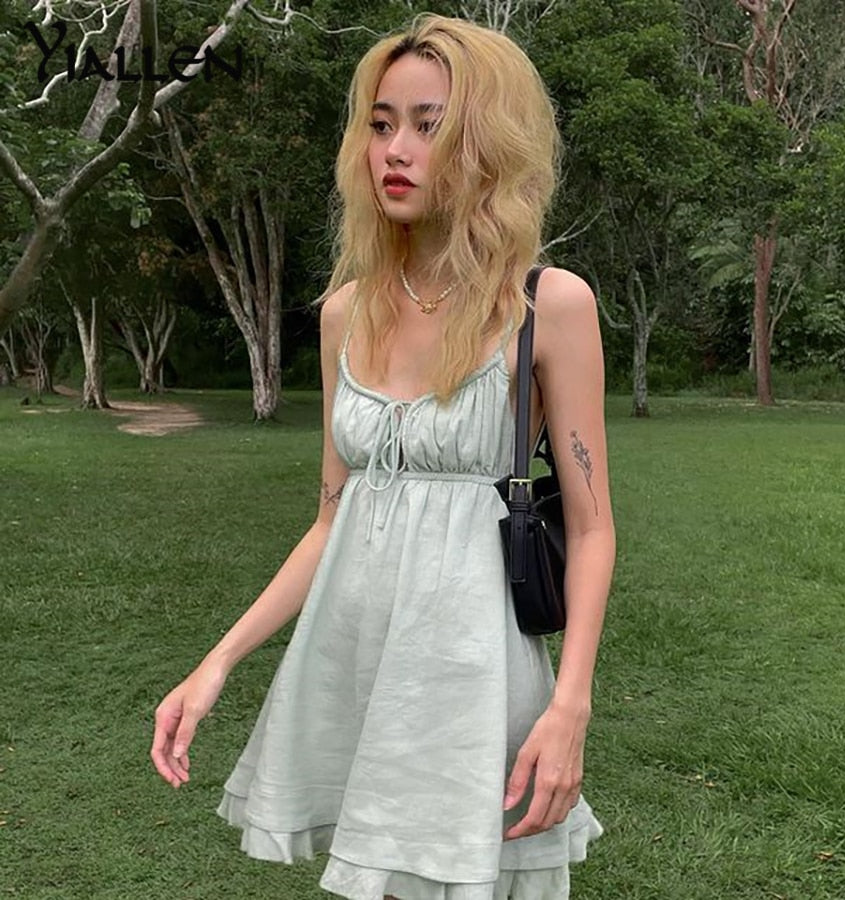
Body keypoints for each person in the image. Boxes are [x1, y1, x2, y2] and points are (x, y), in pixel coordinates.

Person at [151, 13, 615, 900]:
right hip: (354, 664)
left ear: (487, 142)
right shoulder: (345, 313)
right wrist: (218, 661)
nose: (395, 150)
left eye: (429, 125)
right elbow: (332, 519)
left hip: (473, 677)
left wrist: (571, 706)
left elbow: (592, 530)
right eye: (380, 123)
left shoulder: (548, 306)